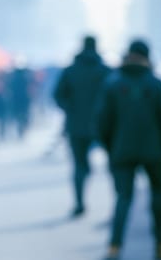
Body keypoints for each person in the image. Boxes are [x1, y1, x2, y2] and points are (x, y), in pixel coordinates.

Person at [97, 40, 161, 260]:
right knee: (159, 194)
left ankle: (114, 245)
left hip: (121, 150)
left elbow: (102, 121)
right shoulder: (156, 84)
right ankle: (160, 242)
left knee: (123, 198)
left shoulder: (112, 83)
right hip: (153, 150)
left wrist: (111, 147)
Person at [53, 35, 111, 218]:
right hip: (103, 126)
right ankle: (117, 203)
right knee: (114, 166)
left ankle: (79, 203)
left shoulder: (71, 71)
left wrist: (70, 109)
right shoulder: (105, 71)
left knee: (79, 166)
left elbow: (57, 95)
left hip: (76, 125)